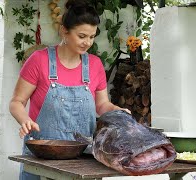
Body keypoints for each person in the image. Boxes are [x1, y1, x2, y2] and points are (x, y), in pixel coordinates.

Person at [9, 0, 130, 179]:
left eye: (92, 36)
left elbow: (102, 105)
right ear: (64, 31)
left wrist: (117, 112)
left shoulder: (95, 65)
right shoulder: (38, 60)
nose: (87, 42)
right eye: (82, 36)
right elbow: (16, 102)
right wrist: (25, 120)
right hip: (42, 160)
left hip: (83, 161)